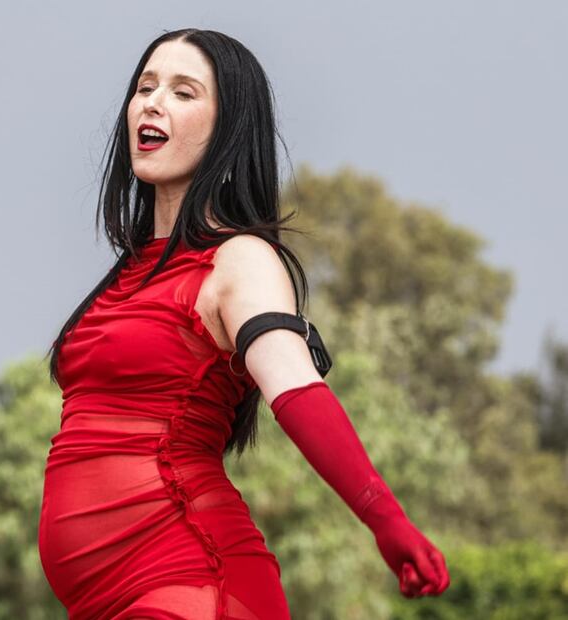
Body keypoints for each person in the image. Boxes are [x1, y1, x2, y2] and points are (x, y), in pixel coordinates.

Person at [39, 28, 450, 619]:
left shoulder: (239, 261)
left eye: (184, 92)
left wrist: (385, 519)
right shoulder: (128, 274)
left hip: (192, 575)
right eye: (145, 87)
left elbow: (297, 387)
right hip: (103, 600)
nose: (152, 103)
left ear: (227, 129)